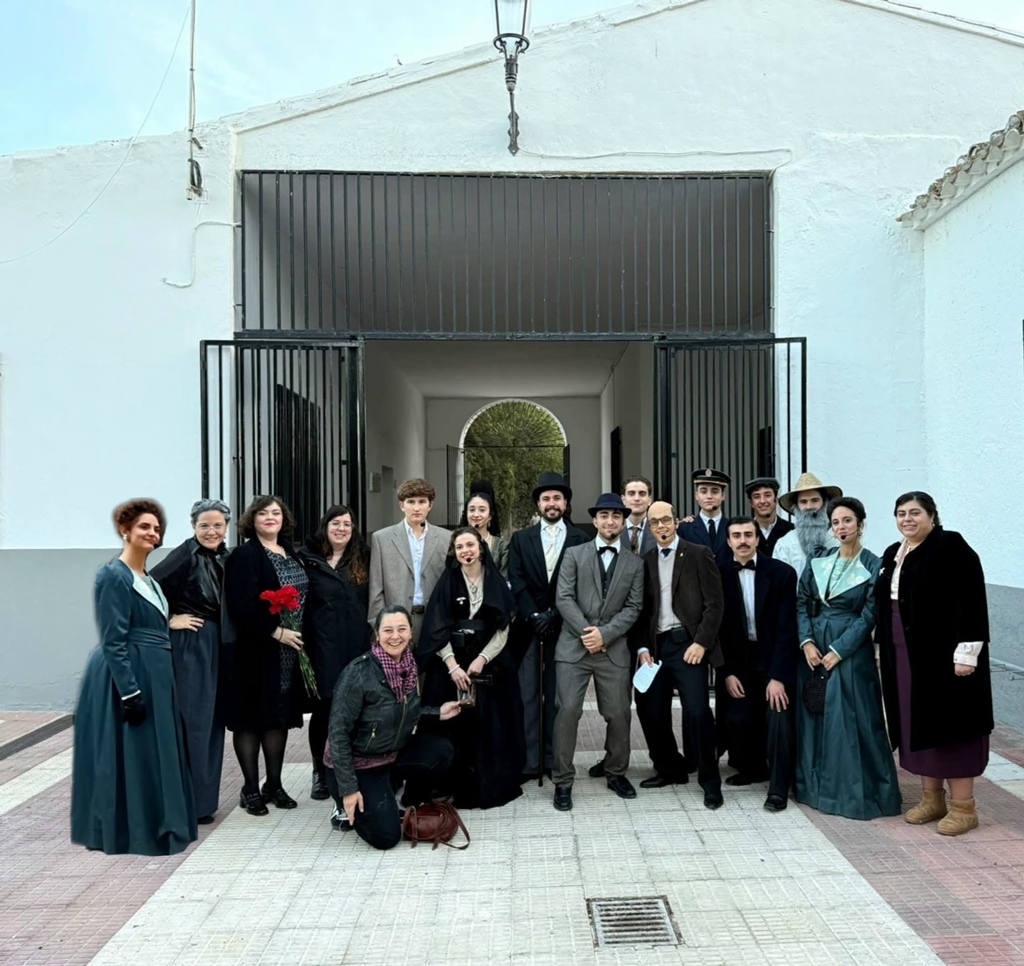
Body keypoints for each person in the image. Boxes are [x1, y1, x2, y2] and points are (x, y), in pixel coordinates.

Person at [71, 499, 197, 855]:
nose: (152, 533)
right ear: (125, 530)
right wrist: (129, 692)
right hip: (130, 675)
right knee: (132, 754)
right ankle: (132, 831)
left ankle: (157, 825)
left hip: (156, 673)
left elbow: (153, 623)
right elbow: (113, 639)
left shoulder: (149, 580)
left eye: (156, 528)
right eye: (144, 526)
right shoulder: (112, 575)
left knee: (153, 753)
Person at [875, 492, 992, 836]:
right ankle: (932, 799)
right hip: (905, 655)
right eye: (901, 513)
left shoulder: (950, 546)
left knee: (952, 727)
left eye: (915, 513)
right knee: (918, 723)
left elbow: (971, 598)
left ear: (932, 515)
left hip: (945, 657)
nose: (907, 519)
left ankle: (964, 808)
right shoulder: (893, 553)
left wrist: (967, 653)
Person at [795, 497, 901, 820]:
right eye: (836, 522)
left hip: (850, 651)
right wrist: (806, 642)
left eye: (847, 521)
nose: (841, 528)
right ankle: (815, 789)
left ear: (861, 524)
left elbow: (870, 614)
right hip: (815, 646)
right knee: (816, 714)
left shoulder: (873, 564)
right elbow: (802, 601)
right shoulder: (819, 559)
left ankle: (855, 795)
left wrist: (839, 650)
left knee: (852, 719)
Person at [328, 606, 461, 850]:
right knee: (386, 837)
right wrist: (348, 789)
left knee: (442, 751)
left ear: (411, 633)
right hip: (359, 764)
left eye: (402, 629)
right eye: (388, 630)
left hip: (389, 754)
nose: (395, 636)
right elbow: (337, 734)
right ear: (377, 635)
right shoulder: (357, 674)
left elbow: (398, 713)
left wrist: (437, 713)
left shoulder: (408, 666)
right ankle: (345, 804)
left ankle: (396, 796)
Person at [551, 493, 644, 811]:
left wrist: (605, 635)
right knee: (567, 711)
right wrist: (588, 633)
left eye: (616, 516)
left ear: (623, 522)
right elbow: (563, 598)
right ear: (594, 520)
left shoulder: (635, 563)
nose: (610, 521)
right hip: (573, 646)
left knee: (619, 713)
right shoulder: (574, 554)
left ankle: (615, 771)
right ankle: (563, 780)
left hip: (613, 649)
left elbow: (634, 606)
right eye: (604, 515)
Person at [418, 528, 524, 808]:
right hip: (451, 663)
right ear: (454, 552)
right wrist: (452, 666)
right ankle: (446, 784)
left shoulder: (495, 581)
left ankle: (485, 785)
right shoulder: (447, 582)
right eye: (460, 547)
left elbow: (503, 627)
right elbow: (436, 627)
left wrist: (483, 658)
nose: (466, 551)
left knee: (489, 724)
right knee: (452, 723)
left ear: (481, 548)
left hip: (487, 662)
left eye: (470, 545)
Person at [632, 500, 726, 809]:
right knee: (649, 708)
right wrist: (643, 648)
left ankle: (710, 782)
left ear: (676, 522)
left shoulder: (698, 553)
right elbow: (640, 611)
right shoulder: (644, 561)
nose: (660, 526)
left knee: (698, 712)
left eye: (665, 520)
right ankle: (670, 769)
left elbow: (715, 604)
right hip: (656, 649)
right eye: (654, 522)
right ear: (649, 527)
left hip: (688, 646)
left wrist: (701, 643)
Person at [222, 495, 308, 816]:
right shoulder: (245, 555)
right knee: (250, 720)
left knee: (277, 716)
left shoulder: (290, 552)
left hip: (287, 654)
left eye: (276, 513)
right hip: (255, 651)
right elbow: (240, 604)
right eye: (263, 513)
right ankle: (250, 789)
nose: (270, 517)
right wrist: (276, 631)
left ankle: (274, 784)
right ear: (252, 520)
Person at [150, 498, 231, 824]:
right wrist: (170, 619)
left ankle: (202, 802)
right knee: (193, 723)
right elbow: (141, 590)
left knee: (212, 724)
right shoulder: (184, 556)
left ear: (226, 527)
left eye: (217, 525)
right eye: (204, 525)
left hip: (217, 646)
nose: (211, 531)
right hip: (191, 646)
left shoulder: (224, 556)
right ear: (193, 526)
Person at [508, 471, 588, 780]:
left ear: (565, 503)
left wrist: (555, 614)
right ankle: (531, 761)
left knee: (558, 698)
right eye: (546, 499)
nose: (551, 503)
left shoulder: (581, 539)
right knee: (528, 696)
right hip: (529, 629)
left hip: (565, 628)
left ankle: (555, 758)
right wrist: (533, 616)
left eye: (557, 498)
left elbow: (581, 585)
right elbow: (516, 581)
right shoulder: (521, 539)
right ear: (538, 504)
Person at [716, 518, 798, 811]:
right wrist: (726, 672)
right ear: (728, 541)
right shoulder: (718, 573)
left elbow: (788, 628)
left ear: (757, 539)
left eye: (748, 534)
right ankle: (753, 769)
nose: (743, 540)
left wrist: (778, 677)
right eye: (736, 535)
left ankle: (778, 788)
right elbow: (717, 629)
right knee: (737, 718)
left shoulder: (782, 573)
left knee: (778, 718)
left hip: (773, 658)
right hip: (738, 661)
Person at [297, 504, 372, 807]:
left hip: (357, 647)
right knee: (324, 711)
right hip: (322, 648)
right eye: (336, 523)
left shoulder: (364, 558)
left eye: (347, 524)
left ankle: (355, 768)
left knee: (358, 709)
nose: (342, 529)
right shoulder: (307, 559)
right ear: (325, 526)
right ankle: (319, 771)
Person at [368, 478, 451, 642]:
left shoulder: (446, 538)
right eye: (411, 502)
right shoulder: (382, 539)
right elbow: (376, 588)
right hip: (395, 622)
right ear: (402, 505)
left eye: (422, 502)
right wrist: (379, 624)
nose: (416, 507)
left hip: (434, 620)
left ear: (430, 505)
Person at [773, 473, 842, 578]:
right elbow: (778, 582)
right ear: (796, 507)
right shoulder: (785, 545)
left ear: (825, 504)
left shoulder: (840, 540)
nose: (809, 507)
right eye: (803, 502)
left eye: (815, 500)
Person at [679, 468, 732, 564]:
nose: (709, 496)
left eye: (715, 491)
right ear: (696, 496)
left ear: (723, 496)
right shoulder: (684, 529)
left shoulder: (732, 527)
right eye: (703, 492)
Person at [459, 481, 510, 578]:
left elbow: (504, 579)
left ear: (490, 515)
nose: (476, 514)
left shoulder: (502, 547)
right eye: (472, 510)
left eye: (482, 510)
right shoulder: (455, 543)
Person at [744, 477, 794, 558]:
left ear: (776, 500)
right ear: (751, 503)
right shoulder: (744, 532)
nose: (762, 501)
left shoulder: (791, 530)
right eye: (756, 496)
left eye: (767, 495)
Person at [622, 475, 657, 555]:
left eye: (642, 494)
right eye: (631, 493)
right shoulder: (614, 529)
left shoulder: (658, 530)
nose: (637, 498)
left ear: (649, 500)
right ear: (623, 499)